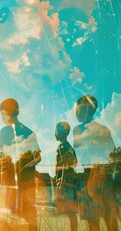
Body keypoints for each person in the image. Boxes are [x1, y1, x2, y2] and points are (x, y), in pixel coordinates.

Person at [73, 95, 118, 231]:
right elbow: (113, 153)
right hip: (96, 176)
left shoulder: (80, 130)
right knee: (104, 216)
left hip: (96, 176)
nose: (77, 112)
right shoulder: (102, 129)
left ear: (87, 109)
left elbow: (112, 154)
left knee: (100, 217)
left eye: (79, 109)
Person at [0, 98, 41, 231]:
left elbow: (2, 158)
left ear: (5, 113)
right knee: (30, 217)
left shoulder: (4, 131)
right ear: (18, 111)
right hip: (28, 182)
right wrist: (27, 166)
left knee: (10, 218)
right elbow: (38, 157)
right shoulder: (30, 132)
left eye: (1, 114)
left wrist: (2, 180)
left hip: (13, 181)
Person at [54, 121, 78, 231]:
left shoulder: (62, 147)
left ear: (60, 133)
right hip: (69, 182)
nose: (54, 133)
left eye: (55, 131)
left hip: (65, 183)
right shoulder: (70, 148)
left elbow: (64, 167)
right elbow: (74, 164)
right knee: (70, 212)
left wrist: (61, 186)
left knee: (70, 212)